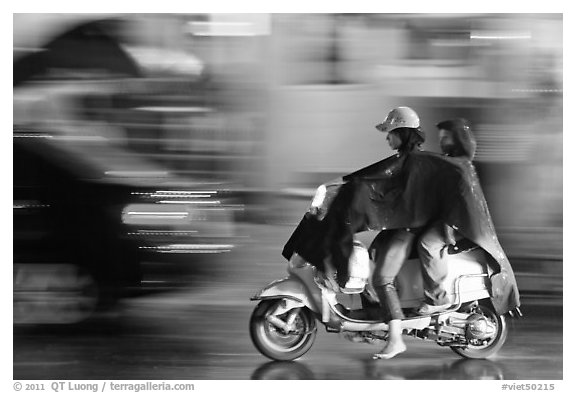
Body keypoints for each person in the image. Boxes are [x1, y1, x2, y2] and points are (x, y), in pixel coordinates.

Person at [369, 106, 425, 360]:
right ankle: (373, 324)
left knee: (381, 278)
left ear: (402, 132)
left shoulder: (413, 162)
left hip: (408, 229)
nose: (387, 137)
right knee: (369, 258)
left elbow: (406, 204)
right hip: (399, 226)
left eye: (390, 132)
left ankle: (395, 339)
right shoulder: (404, 160)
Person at [416, 118, 477, 314]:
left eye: (447, 137)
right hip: (446, 218)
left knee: (428, 243)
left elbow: (457, 203)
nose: (442, 141)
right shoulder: (450, 161)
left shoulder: (460, 164)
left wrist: (448, 228)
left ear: (458, 139)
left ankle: (437, 298)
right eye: (441, 137)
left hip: (457, 223)